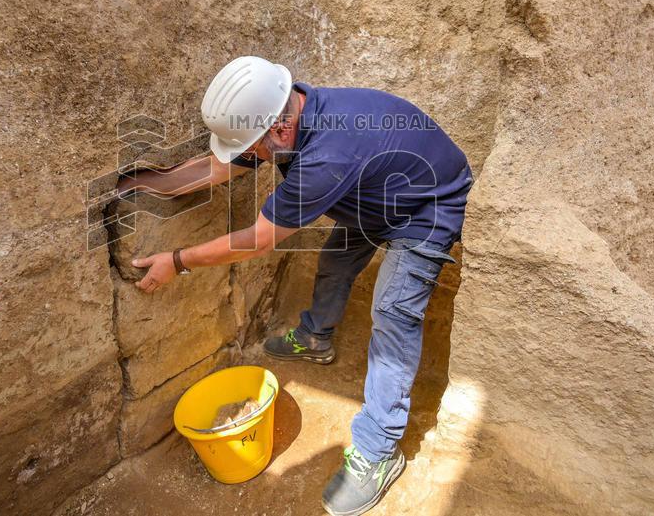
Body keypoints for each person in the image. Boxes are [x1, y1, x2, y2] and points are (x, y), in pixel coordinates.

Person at [117, 56, 472, 516]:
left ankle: (379, 452)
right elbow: (221, 166)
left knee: (392, 313)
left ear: (279, 133)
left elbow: (257, 241)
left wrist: (178, 261)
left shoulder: (327, 155)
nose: (252, 155)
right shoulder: (282, 112)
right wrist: (150, 183)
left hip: (427, 206)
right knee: (335, 261)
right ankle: (314, 338)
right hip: (375, 193)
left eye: (253, 148)